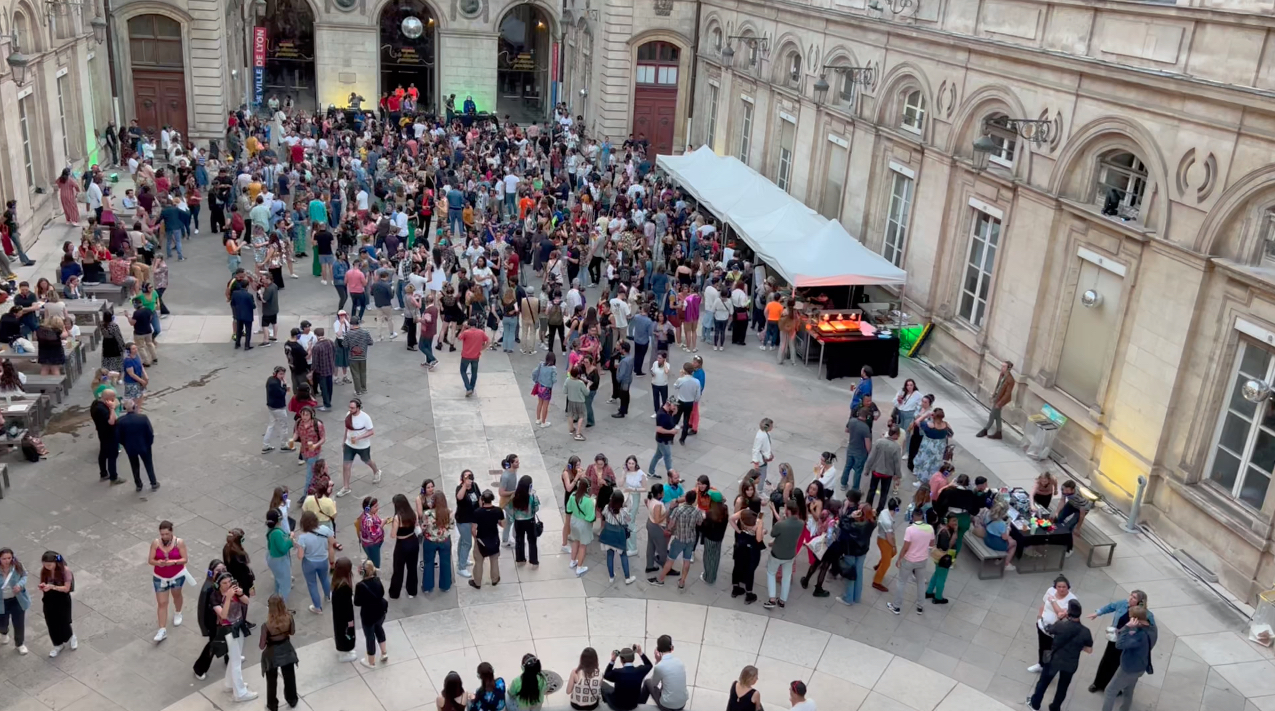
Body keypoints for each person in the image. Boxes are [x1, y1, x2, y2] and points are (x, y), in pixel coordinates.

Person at [1028, 599, 1093, 711]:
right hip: (1071, 664)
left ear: (1068, 612)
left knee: (1043, 683)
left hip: (1054, 660)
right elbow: (1089, 650)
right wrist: (1077, 646)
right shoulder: (1086, 631)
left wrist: (1059, 618)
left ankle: (1035, 704)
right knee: (1062, 688)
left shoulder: (1061, 626)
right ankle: (1055, 707)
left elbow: (1048, 629)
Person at [1087, 590, 1152, 694]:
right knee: (1106, 660)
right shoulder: (1123, 604)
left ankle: (1112, 686)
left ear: (1140, 601)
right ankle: (1098, 683)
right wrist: (1098, 613)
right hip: (1115, 638)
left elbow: (1150, 625)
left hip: (1128, 642)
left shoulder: (1143, 613)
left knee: (1118, 664)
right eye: (1131, 595)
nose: (1131, 598)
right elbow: (1111, 606)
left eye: (1134, 597)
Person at [211, 570, 257, 701]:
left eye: (229, 582)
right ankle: (240, 692)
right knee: (236, 661)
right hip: (228, 630)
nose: (227, 585)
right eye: (224, 583)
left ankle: (230, 683)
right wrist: (228, 598)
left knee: (235, 657)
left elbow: (247, 602)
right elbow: (223, 615)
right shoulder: (216, 597)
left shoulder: (234, 591)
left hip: (239, 624)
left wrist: (240, 594)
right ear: (218, 584)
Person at [1101, 606, 1156, 711]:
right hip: (1141, 666)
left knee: (1110, 691)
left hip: (1129, 668)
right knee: (1128, 690)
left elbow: (1119, 645)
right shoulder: (1153, 629)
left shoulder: (1139, 637)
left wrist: (1127, 628)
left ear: (1135, 620)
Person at [650, 491, 703, 589]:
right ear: (694, 500)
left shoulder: (678, 510)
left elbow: (671, 524)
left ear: (686, 499)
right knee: (686, 560)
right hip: (691, 539)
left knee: (670, 560)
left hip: (679, 539)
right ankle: (682, 581)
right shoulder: (697, 511)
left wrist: (669, 530)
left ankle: (661, 579)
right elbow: (700, 523)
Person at [887, 507, 933, 615]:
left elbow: (905, 547)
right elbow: (931, 544)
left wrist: (899, 559)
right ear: (922, 516)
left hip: (909, 560)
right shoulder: (930, 528)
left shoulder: (910, 529)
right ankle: (920, 607)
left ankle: (896, 606)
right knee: (920, 583)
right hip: (922, 560)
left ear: (913, 517)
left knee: (901, 582)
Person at [1030, 575, 1080, 673]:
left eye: (1064, 587)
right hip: (1043, 624)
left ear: (1068, 587)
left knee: (1051, 650)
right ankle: (1041, 664)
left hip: (1057, 630)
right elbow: (1044, 603)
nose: (1061, 589)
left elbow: (1061, 614)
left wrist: (1053, 601)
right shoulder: (1050, 591)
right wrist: (1039, 617)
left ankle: (1049, 668)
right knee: (1042, 646)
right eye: (1059, 587)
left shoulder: (1072, 600)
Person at [148, 520, 188, 643]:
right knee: (162, 603)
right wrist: (158, 563)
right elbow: (150, 560)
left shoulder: (179, 543)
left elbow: (185, 559)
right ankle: (162, 629)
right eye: (162, 534)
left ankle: (178, 612)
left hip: (177, 575)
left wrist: (173, 562)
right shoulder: (155, 543)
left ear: (171, 532)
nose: (164, 536)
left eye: (166, 534)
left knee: (176, 595)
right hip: (160, 576)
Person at [259, 594, 300, 711]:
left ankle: (272, 705)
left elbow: (261, 646)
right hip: (286, 649)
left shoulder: (266, 626)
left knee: (271, 681)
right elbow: (292, 632)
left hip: (272, 654)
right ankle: (292, 699)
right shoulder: (289, 618)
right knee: (289, 676)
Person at [764, 499, 804, 609]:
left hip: (777, 553)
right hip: (790, 554)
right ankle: (782, 600)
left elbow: (773, 533)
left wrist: (779, 519)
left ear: (788, 511)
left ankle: (772, 599)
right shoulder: (801, 523)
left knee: (771, 573)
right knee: (786, 577)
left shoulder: (781, 524)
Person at [193, 559, 229, 678]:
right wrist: (204, 629)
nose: (221, 572)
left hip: (225, 619)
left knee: (230, 639)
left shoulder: (225, 582)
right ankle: (199, 668)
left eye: (224, 570)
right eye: (218, 570)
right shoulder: (207, 589)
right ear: (211, 572)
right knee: (213, 645)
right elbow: (201, 611)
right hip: (214, 623)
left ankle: (230, 658)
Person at [296, 511, 335, 614]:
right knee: (325, 578)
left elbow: (300, 556)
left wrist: (297, 547)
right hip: (323, 560)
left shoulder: (302, 538)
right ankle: (328, 596)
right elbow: (333, 542)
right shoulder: (325, 530)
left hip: (309, 563)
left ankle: (317, 607)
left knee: (312, 584)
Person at [340, 398, 380, 496]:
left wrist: (359, 437)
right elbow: (346, 428)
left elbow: (371, 431)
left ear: (358, 408)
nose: (350, 409)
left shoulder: (365, 418)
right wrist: (344, 440)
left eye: (353, 408)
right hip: (349, 444)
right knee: (346, 465)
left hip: (362, 446)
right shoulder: (348, 415)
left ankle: (377, 471)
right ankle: (346, 487)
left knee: (367, 460)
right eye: (350, 407)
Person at [117, 398, 159, 492]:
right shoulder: (142, 418)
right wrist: (148, 444)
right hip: (144, 446)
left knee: (134, 465)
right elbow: (150, 433)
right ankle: (153, 482)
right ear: (134, 406)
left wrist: (125, 444)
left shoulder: (120, 421)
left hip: (130, 447)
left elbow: (119, 437)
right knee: (148, 464)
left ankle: (138, 484)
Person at [354, 559, 389, 668]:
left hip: (368, 615)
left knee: (370, 637)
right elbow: (382, 593)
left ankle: (371, 661)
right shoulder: (378, 580)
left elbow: (357, 602)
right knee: (379, 630)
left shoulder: (360, 586)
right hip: (380, 612)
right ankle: (384, 653)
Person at [862, 424, 902, 512]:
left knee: (872, 490)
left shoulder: (879, 442)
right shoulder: (896, 447)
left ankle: (867, 507)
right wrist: (898, 475)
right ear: (895, 434)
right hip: (887, 474)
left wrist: (867, 469)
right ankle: (879, 511)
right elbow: (897, 463)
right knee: (884, 493)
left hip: (876, 471)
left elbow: (871, 457)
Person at [641, 635, 687, 711]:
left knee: (647, 682)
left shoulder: (660, 666)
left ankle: (640, 705)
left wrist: (658, 661)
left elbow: (653, 684)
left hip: (667, 706)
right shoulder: (680, 662)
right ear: (672, 648)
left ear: (658, 649)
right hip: (682, 704)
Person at [469, 489, 505, 588]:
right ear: (492, 499)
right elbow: (502, 524)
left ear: (482, 499)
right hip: (494, 540)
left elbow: (473, 529)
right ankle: (495, 579)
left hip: (481, 540)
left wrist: (476, 538)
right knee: (494, 560)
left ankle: (477, 582)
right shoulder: (498, 511)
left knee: (479, 562)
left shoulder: (477, 512)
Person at [387, 493, 419, 599]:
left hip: (402, 545)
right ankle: (412, 591)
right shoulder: (413, 513)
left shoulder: (397, 518)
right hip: (413, 541)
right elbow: (416, 526)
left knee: (398, 569)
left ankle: (395, 593)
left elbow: (393, 535)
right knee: (412, 568)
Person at [601, 645, 653, 711]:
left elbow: (606, 675)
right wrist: (640, 653)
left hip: (617, 705)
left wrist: (612, 660)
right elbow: (649, 665)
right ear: (633, 659)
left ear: (621, 660)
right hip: (633, 705)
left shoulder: (617, 672)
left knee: (602, 684)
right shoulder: (640, 671)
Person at [421, 491, 454, 593]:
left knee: (429, 563)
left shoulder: (427, 514)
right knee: (445, 562)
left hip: (430, 541)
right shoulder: (449, 512)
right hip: (444, 540)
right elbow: (451, 526)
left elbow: (424, 528)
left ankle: (428, 586)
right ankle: (445, 586)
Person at [0, 548, 30, 655]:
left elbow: (24, 575)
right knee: (2, 623)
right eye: (4, 558)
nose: (7, 561)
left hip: (17, 599)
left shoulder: (17, 566)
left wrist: (20, 585)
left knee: (19, 623)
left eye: (9, 558)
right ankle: (4, 633)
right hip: (2, 602)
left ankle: (19, 644)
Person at [977, 360, 1015, 439]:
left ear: (1008, 369)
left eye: (1004, 366)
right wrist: (994, 395)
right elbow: (998, 387)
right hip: (997, 397)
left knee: (992, 415)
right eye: (1002, 366)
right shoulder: (1002, 375)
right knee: (997, 416)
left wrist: (1000, 403)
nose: (1002, 368)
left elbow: (1007, 394)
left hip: (1001, 400)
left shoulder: (1010, 380)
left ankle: (985, 430)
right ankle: (999, 432)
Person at [925, 513, 958, 604]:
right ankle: (938, 597)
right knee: (941, 578)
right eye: (953, 521)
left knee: (936, 574)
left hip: (939, 558)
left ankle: (929, 592)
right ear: (948, 521)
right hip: (943, 558)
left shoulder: (945, 529)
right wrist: (954, 536)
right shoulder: (945, 532)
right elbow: (945, 547)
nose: (955, 523)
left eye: (956, 520)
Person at [91, 389, 121, 484]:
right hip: (109, 434)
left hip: (102, 432)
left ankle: (103, 473)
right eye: (113, 398)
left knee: (103, 453)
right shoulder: (102, 409)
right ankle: (113, 477)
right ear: (108, 399)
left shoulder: (95, 404)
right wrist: (112, 409)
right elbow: (112, 421)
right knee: (112, 454)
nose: (114, 399)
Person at [565, 479, 595, 576]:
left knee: (575, 541)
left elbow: (568, 509)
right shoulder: (588, 501)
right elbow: (590, 517)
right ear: (588, 488)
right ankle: (579, 567)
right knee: (583, 545)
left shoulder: (573, 495)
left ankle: (572, 561)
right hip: (583, 523)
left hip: (574, 520)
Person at [331, 558, 358, 662]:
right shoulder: (344, 587)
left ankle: (344, 649)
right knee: (347, 632)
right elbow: (347, 605)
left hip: (339, 616)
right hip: (346, 617)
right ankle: (345, 651)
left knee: (341, 631)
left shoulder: (336, 580)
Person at [871, 497, 901, 592]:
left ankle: (879, 565)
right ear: (896, 508)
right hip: (885, 541)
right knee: (887, 563)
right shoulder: (887, 522)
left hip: (882, 538)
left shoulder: (884, 512)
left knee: (889, 555)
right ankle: (876, 582)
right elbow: (889, 537)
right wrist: (894, 545)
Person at [455, 470, 480, 579]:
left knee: (463, 540)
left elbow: (479, 498)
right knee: (467, 543)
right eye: (466, 476)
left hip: (473, 517)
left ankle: (462, 559)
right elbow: (459, 497)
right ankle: (461, 567)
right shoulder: (460, 488)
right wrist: (465, 486)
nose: (469, 479)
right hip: (463, 519)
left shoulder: (474, 486)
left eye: (470, 476)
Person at [265, 509, 293, 600]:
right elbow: (283, 549)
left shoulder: (271, 529)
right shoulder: (277, 532)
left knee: (278, 581)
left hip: (272, 557)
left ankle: (275, 600)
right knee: (285, 585)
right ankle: (280, 608)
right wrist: (291, 539)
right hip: (279, 560)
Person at [842, 407, 872, 492]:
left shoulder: (851, 421)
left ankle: (843, 484)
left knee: (847, 467)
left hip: (851, 448)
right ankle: (855, 488)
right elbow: (867, 443)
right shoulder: (865, 428)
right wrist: (869, 452)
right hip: (860, 452)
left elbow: (846, 430)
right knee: (858, 470)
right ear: (867, 417)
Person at [263, 366, 292, 453]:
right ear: (275, 374)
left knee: (271, 425)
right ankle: (284, 445)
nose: (282, 376)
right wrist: (285, 385)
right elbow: (282, 393)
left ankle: (266, 445)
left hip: (271, 407)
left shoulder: (270, 379)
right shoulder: (275, 383)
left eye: (283, 374)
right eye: (280, 374)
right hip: (278, 408)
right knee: (284, 426)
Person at [458, 318, 490, 396]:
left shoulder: (466, 333)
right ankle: (471, 388)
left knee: (463, 371)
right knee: (474, 373)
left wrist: (463, 328)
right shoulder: (481, 332)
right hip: (476, 356)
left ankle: (468, 388)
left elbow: (459, 338)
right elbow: (488, 341)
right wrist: (483, 348)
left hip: (466, 355)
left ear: (468, 325)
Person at [344, 317, 374, 396]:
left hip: (352, 357)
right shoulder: (365, 332)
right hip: (363, 356)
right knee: (363, 373)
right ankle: (364, 388)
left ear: (351, 324)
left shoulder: (348, 334)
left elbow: (345, 345)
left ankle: (358, 391)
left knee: (355, 374)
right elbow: (371, 342)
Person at [649, 398, 677, 478]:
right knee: (668, 457)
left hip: (665, 440)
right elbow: (659, 429)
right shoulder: (661, 414)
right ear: (668, 404)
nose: (675, 407)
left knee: (658, 455)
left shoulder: (668, 411)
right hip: (663, 440)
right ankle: (672, 476)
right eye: (673, 405)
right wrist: (671, 432)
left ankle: (650, 472)